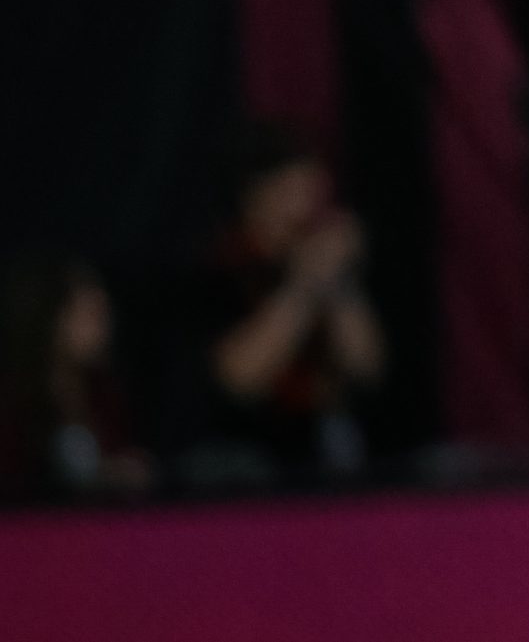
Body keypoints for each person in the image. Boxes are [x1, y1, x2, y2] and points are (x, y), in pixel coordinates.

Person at [196, 132, 384, 481]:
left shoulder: (317, 264)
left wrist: (339, 284)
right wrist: (303, 287)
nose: (305, 212)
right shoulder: (218, 271)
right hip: (240, 469)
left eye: (315, 197)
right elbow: (238, 380)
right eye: (291, 195)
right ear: (253, 197)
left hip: (326, 457)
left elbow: (365, 368)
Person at [0, 255, 153, 500]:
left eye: (105, 315)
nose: (106, 328)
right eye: (92, 315)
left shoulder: (104, 393)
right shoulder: (12, 401)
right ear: (50, 318)